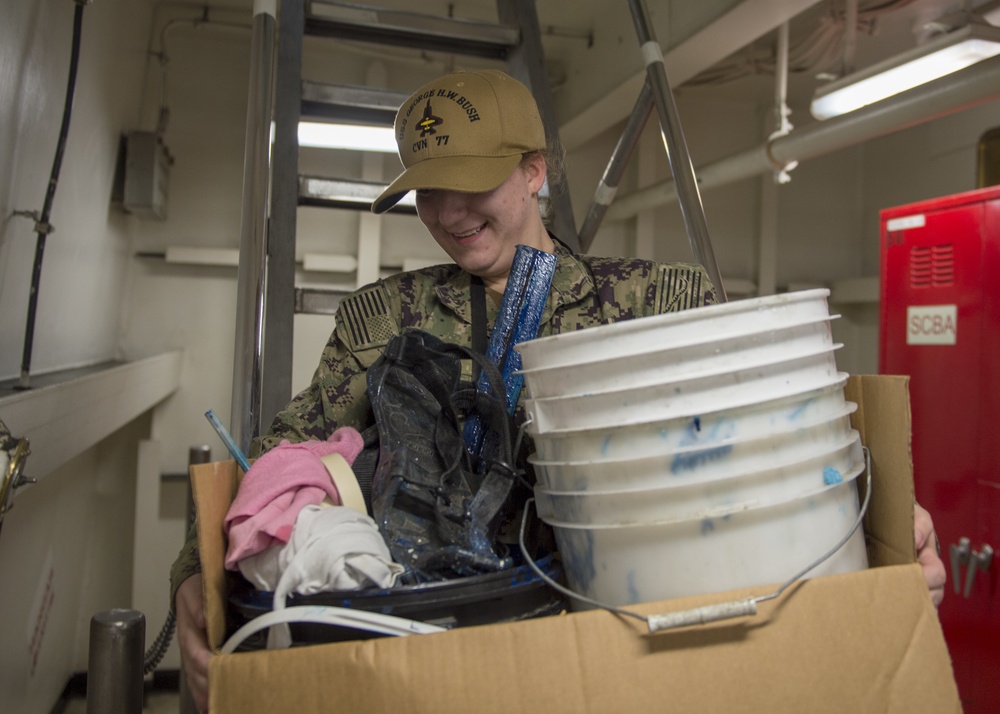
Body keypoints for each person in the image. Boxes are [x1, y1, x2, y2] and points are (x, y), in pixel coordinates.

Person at [170, 69, 946, 712]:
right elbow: (277, 462)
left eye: (470, 183)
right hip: (443, 658)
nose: (446, 213)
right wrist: (193, 579)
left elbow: (780, 432)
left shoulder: (657, 302)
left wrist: (882, 514)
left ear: (535, 170)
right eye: (426, 191)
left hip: (621, 648)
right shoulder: (382, 320)